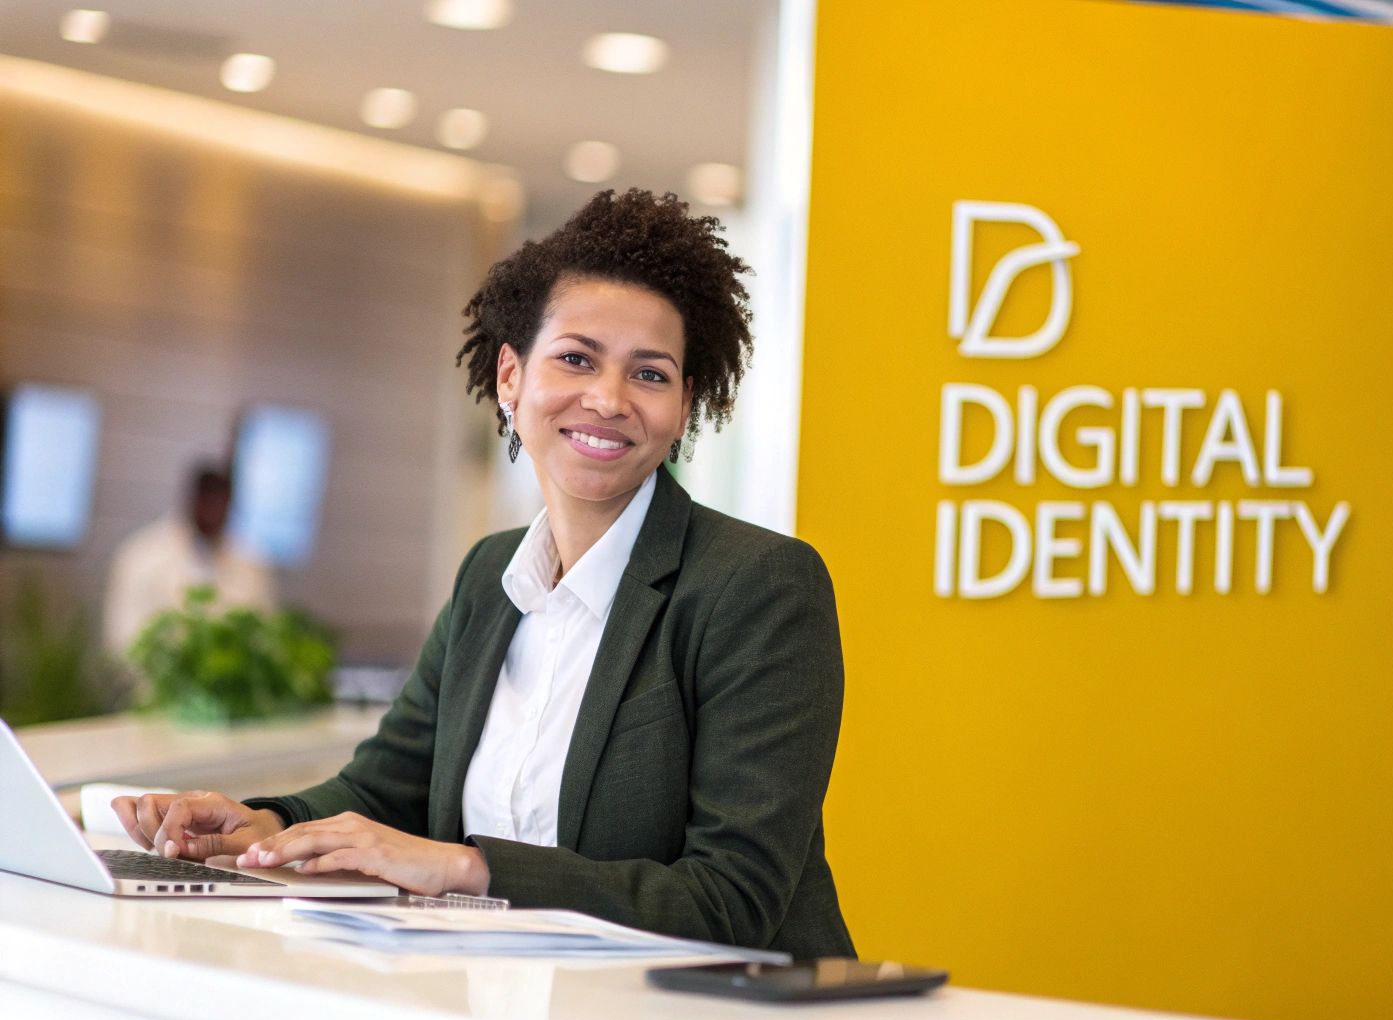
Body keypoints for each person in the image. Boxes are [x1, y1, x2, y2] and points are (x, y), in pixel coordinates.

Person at [111, 189, 854, 959]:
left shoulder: (760, 585)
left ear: (686, 402)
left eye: (651, 374)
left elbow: (734, 900)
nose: (608, 399)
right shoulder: (490, 575)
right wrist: (266, 824)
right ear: (510, 378)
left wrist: (469, 868)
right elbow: (387, 785)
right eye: (576, 358)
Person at [102, 465, 275, 654]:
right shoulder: (141, 556)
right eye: (207, 500)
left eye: (221, 502)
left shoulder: (251, 565)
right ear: (191, 498)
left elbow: (263, 633)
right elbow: (124, 636)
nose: (214, 510)